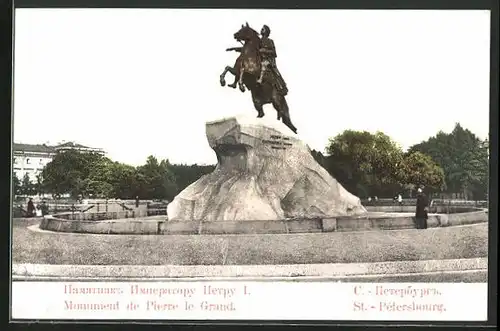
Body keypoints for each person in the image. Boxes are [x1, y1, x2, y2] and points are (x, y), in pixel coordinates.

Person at [257, 25, 288, 95]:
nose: (261, 30)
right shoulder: (258, 41)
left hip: (268, 60)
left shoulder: (270, 41)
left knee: (272, 70)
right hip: (259, 59)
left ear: (266, 32)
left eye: (263, 29)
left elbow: (274, 53)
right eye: (261, 29)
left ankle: (282, 87)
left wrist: (264, 50)